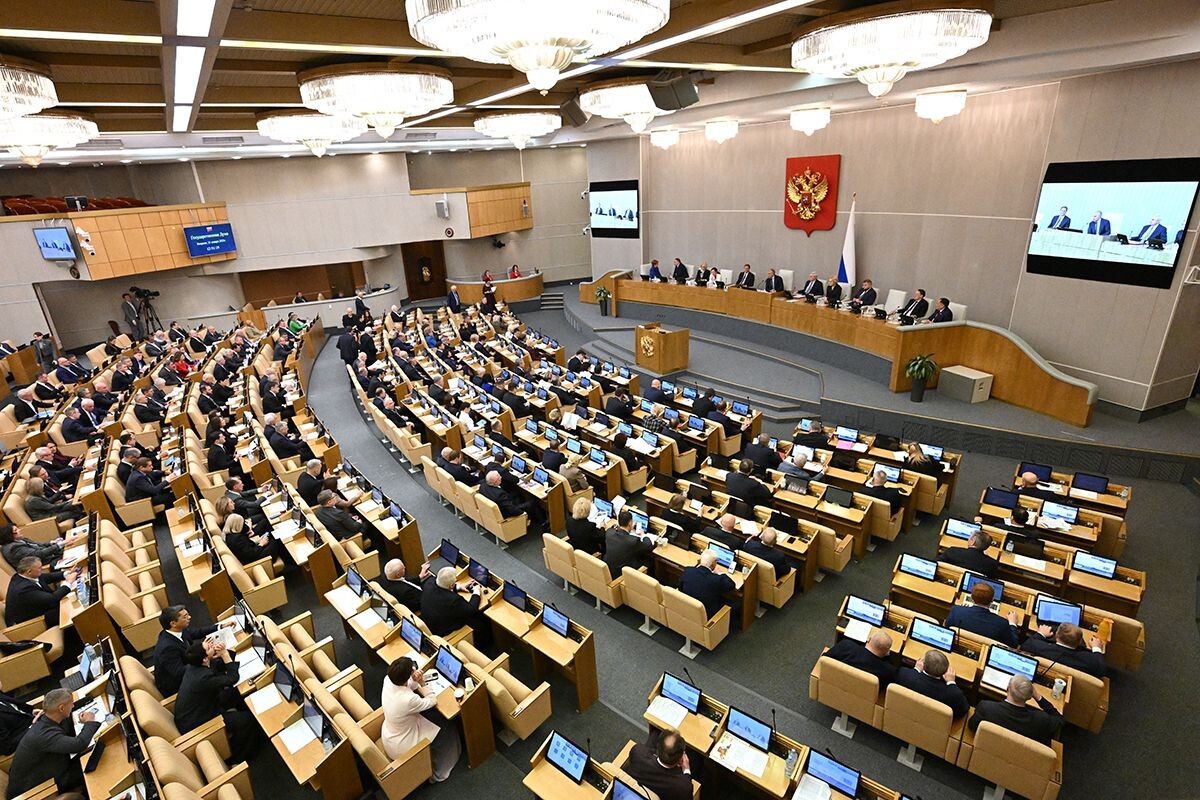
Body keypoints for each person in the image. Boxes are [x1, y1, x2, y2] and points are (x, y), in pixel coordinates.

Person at [175, 641, 262, 762]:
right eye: (209, 647)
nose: (212, 645)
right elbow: (232, 678)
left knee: (235, 693)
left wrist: (221, 654)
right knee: (247, 720)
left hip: (204, 703)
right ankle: (240, 756)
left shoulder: (194, 665)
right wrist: (225, 655)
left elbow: (217, 667)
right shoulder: (202, 677)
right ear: (205, 659)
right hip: (199, 719)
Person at [6, 688, 100, 798]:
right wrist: (89, 722)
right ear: (61, 708)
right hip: (37, 787)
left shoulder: (47, 718)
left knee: (91, 753)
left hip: (49, 766)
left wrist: (88, 699)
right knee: (95, 765)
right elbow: (79, 744)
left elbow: (66, 718)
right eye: (71, 703)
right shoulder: (44, 734)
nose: (73, 705)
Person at [381, 657, 460, 782]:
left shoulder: (388, 680)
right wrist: (422, 683)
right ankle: (439, 773)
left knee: (431, 716)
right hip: (403, 743)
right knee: (446, 728)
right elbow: (432, 701)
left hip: (391, 733)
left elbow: (406, 686)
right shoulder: (408, 700)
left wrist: (414, 680)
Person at [153, 605, 226, 696]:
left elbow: (197, 632)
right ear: (173, 623)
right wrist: (204, 654)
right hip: (178, 687)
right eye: (185, 617)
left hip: (188, 667)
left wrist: (220, 626)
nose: (190, 617)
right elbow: (180, 673)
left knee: (221, 658)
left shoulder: (177, 630)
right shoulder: (167, 648)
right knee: (219, 662)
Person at [968, 674, 1062, 745]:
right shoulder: (1041, 720)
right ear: (1030, 696)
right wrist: (1038, 697)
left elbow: (972, 726)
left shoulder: (986, 707)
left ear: (1007, 688)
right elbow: (1060, 720)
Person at [420, 566, 491, 648]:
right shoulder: (453, 600)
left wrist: (459, 587)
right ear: (451, 585)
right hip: (443, 630)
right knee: (480, 622)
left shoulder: (429, 583)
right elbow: (471, 610)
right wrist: (476, 591)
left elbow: (441, 588)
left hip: (431, 622)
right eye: (455, 581)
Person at [894, 650, 969, 719]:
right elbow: (964, 710)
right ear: (945, 671)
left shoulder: (903, 674)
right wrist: (951, 682)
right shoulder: (953, 694)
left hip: (903, 714)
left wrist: (916, 670)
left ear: (923, 665)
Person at [1020, 622, 1107, 678]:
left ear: (1056, 635)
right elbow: (1101, 669)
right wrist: (1096, 648)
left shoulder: (1039, 647)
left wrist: (1040, 634)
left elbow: (1025, 646)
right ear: (1079, 642)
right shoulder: (1089, 660)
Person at [4, 557, 75, 626]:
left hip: (42, 607)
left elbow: (46, 577)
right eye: (40, 568)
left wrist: (66, 574)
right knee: (71, 609)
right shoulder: (23, 589)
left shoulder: (25, 575)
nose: (42, 569)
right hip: (33, 622)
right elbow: (52, 599)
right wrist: (68, 582)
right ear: (29, 571)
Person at [625, 730, 693, 800]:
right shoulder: (683, 786)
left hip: (636, 790)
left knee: (655, 733)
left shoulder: (637, 752)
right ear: (680, 759)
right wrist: (686, 769)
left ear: (658, 748)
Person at [946, 582, 1019, 646]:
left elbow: (947, 626)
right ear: (992, 600)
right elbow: (1014, 643)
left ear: (971, 597)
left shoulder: (956, 610)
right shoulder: (1002, 623)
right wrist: (1012, 623)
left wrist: (962, 610)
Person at [603, 510, 663, 579]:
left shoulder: (609, 532)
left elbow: (613, 528)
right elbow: (648, 546)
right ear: (630, 523)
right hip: (623, 574)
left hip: (610, 568)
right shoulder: (633, 540)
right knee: (650, 560)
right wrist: (643, 535)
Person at [825, 631, 897, 688]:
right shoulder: (888, 671)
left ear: (869, 640)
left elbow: (825, 659)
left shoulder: (846, 646)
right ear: (887, 652)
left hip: (834, 684)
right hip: (861, 696)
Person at [679, 550, 735, 619]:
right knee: (734, 603)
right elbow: (731, 585)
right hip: (707, 614)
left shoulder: (688, 570)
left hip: (687, 607)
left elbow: (680, 589)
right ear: (713, 564)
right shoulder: (716, 580)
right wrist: (721, 573)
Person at [0, 523, 65, 569]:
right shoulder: (14, 549)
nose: (19, 530)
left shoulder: (20, 539)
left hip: (49, 556)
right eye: (16, 530)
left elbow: (38, 545)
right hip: (45, 564)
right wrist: (58, 545)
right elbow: (39, 554)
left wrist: (51, 543)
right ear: (10, 535)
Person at [0, 687, 35, 755]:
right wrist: (32, 727)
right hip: (25, 739)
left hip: (33, 722)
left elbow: (18, 709)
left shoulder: (1, 695)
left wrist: (31, 712)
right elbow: (7, 747)